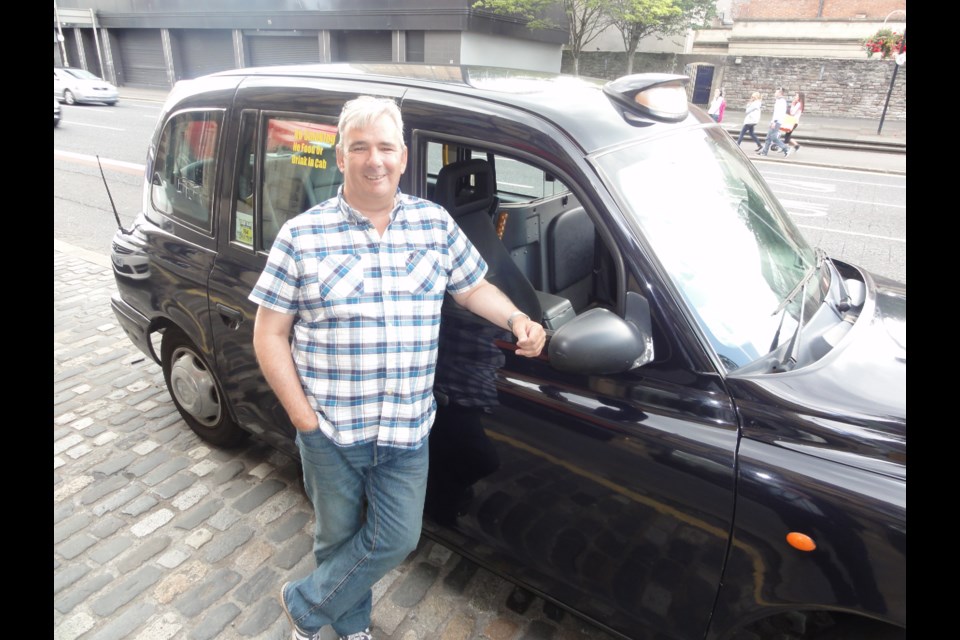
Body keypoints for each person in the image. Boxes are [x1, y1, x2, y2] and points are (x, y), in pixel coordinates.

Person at [249, 95, 547, 640]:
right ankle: (346, 627)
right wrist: (304, 420)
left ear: (404, 157)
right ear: (340, 157)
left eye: (385, 147)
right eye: (359, 147)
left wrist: (516, 318)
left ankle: (306, 603)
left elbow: (473, 287)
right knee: (338, 540)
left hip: (408, 428)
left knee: (395, 539)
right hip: (332, 430)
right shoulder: (302, 236)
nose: (374, 160)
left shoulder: (433, 225)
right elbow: (269, 333)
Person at [758, 87, 789, 157]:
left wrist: (774, 122)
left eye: (776, 92)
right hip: (775, 121)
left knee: (773, 138)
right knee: (768, 137)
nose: (775, 93)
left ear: (780, 93)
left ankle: (785, 148)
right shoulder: (778, 100)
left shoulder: (781, 101)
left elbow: (779, 113)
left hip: (777, 122)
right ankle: (764, 152)